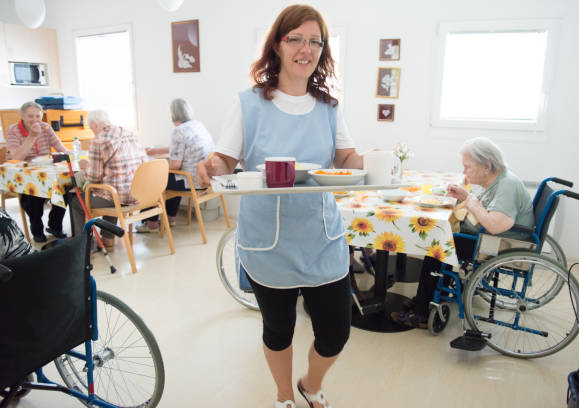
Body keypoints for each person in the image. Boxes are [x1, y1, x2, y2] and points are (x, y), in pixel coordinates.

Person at [196, 5, 363, 408]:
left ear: (323, 51)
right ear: (277, 44)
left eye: (315, 42)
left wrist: (376, 164)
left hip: (322, 238)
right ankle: (285, 395)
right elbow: (225, 161)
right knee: (278, 328)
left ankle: (310, 382)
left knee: (336, 332)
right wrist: (212, 165)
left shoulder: (329, 106)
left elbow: (347, 160)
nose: (306, 49)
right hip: (268, 243)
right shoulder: (249, 104)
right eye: (296, 39)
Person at [391, 137, 535, 328]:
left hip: (499, 245)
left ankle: (422, 313)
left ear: (487, 166)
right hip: (491, 238)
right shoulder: (500, 179)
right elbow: (488, 211)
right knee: (444, 233)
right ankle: (424, 298)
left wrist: (471, 202)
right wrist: (466, 197)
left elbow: (495, 226)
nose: (464, 172)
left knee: (437, 243)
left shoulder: (507, 185)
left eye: (468, 167)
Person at [69, 110, 148, 251]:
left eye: (91, 127)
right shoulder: (129, 134)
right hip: (138, 192)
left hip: (118, 197)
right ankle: (108, 238)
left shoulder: (98, 140)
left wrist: (85, 166)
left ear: (93, 124)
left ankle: (80, 246)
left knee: (76, 202)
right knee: (110, 187)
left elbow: (94, 178)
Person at [136, 98, 215, 232]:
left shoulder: (179, 131)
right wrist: (157, 151)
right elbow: (183, 148)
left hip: (192, 181)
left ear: (173, 114)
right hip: (205, 177)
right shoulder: (197, 125)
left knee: (152, 180)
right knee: (172, 177)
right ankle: (171, 218)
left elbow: (175, 166)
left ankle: (151, 223)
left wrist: (157, 168)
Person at [6, 101, 71, 243]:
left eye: (38, 116)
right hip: (22, 175)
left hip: (45, 172)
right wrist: (32, 137)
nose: (35, 120)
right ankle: (37, 229)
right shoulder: (12, 130)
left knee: (66, 187)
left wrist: (71, 155)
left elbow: (61, 147)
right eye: (30, 116)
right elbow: (16, 159)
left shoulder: (46, 128)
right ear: (22, 116)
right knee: (33, 195)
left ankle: (54, 225)